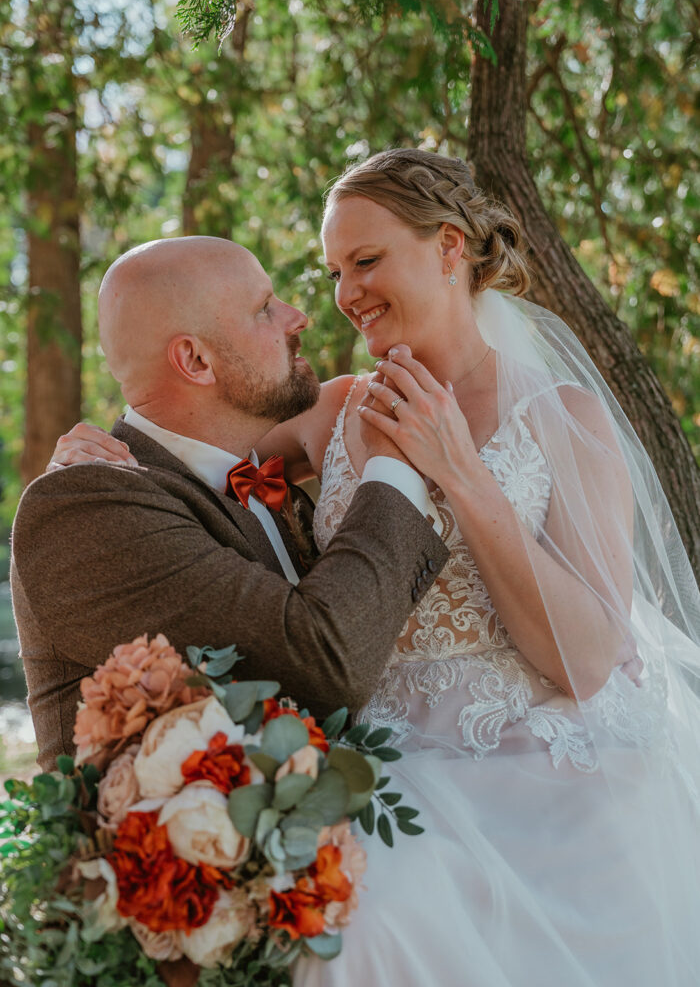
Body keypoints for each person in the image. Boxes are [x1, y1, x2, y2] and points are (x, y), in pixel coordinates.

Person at [49, 150, 700, 985]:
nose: (344, 293)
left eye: (366, 261)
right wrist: (102, 444)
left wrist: (461, 476)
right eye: (331, 271)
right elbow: (204, 456)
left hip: (543, 772)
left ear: (450, 247)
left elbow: (589, 659)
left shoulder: (562, 418)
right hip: (380, 764)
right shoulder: (332, 409)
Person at [10, 235, 450, 772]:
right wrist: (392, 467)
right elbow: (324, 667)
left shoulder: (257, 480)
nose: (298, 317)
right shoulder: (87, 508)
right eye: (264, 308)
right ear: (195, 360)